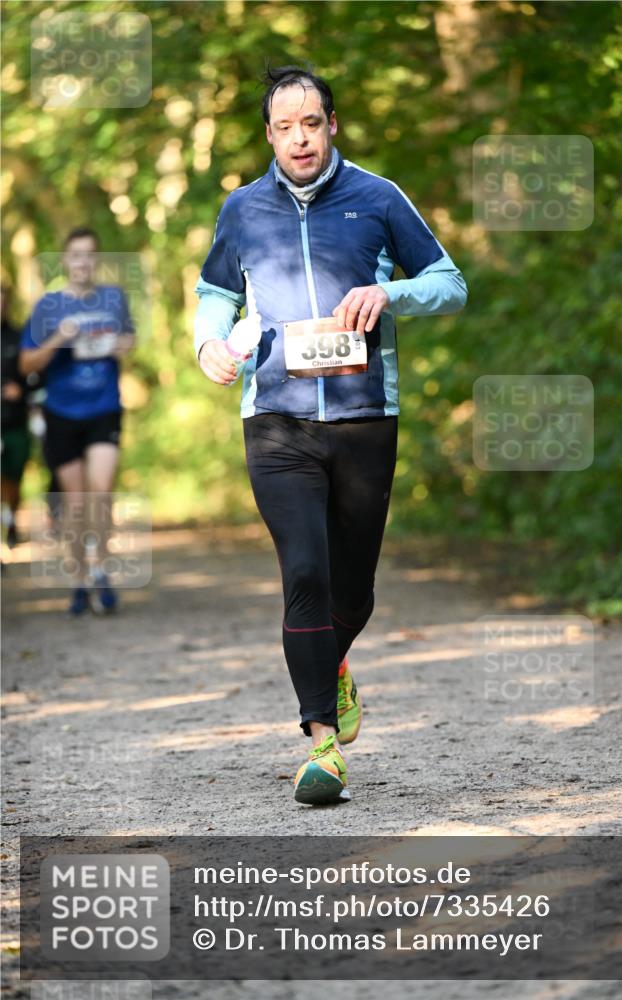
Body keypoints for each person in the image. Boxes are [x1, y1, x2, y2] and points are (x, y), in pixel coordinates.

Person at [194, 65, 467, 805]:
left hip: (362, 418)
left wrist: (391, 291)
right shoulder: (243, 209)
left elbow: (450, 282)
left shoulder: (377, 197)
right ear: (269, 136)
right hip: (275, 419)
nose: (299, 139)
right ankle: (322, 746)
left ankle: (331, 666)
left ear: (332, 125)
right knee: (304, 572)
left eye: (310, 123)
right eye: (283, 127)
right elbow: (214, 296)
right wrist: (207, 345)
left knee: (354, 589)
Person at [19, 227, 135, 615]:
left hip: (104, 407)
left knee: (101, 494)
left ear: (96, 260)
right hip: (62, 413)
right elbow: (26, 364)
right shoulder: (48, 306)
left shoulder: (113, 298)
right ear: (65, 261)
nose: (83, 262)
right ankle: (79, 579)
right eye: (76, 255)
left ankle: (101, 569)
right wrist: (58, 339)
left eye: (89, 255)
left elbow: (130, 340)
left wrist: (121, 345)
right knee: (76, 504)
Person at [1, 283, 30, 549]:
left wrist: (21, 389)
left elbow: (35, 377)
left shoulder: (19, 337)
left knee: (13, 481)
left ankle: (11, 522)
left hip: (15, 422)